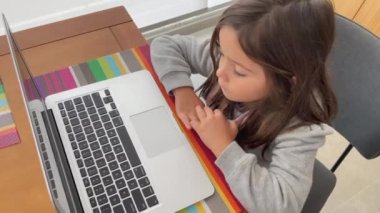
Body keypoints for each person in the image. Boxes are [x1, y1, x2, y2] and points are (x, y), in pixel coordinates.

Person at [150, 0, 337, 212]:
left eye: (239, 71)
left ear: (288, 79)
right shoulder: (232, 58)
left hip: (237, 191)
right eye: (222, 53)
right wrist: (183, 90)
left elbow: (282, 205)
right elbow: (165, 44)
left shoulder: (301, 129)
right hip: (200, 164)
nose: (220, 71)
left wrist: (223, 146)